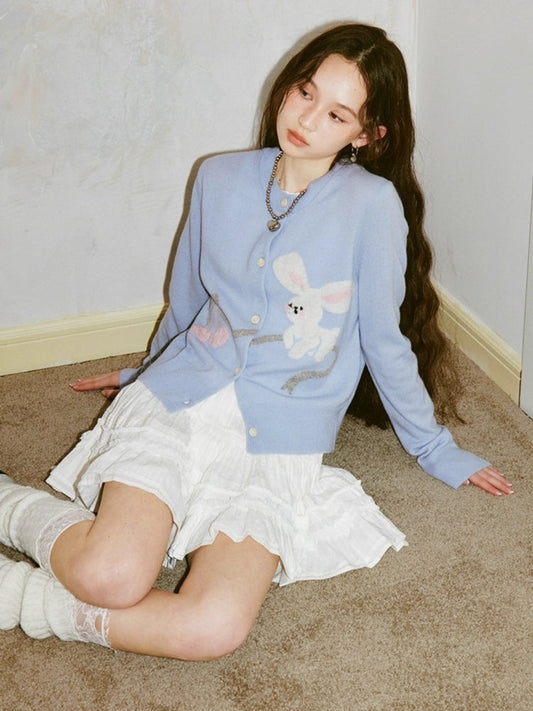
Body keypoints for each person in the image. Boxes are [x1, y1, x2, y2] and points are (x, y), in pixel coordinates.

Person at [0, 23, 513, 660]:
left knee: (210, 629)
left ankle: (20, 597)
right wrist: (144, 374)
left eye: (337, 114)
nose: (306, 119)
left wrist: (436, 449)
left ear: (366, 135)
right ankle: (7, 501)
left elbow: (383, 340)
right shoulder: (217, 177)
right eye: (305, 92)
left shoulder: (372, 206)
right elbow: (188, 302)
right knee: (109, 576)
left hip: (279, 441)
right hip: (182, 402)